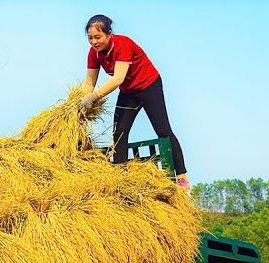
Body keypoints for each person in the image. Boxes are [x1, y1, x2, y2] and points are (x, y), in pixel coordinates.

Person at [79, 14, 189, 190]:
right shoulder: (94, 53)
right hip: (128, 91)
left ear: (109, 34)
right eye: (90, 38)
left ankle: (182, 176)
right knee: (119, 132)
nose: (94, 42)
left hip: (148, 85)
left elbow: (117, 79)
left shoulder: (123, 44)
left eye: (98, 37)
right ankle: (120, 177)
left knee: (163, 130)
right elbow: (89, 83)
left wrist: (93, 98)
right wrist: (79, 102)